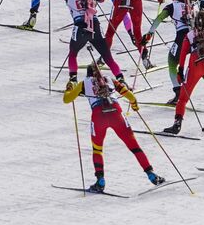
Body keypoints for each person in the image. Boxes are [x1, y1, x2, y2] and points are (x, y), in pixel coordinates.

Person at [63, 63, 162, 193]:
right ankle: (151, 174)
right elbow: (131, 97)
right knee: (134, 146)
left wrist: (69, 88)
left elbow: (67, 99)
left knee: (97, 149)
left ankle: (100, 181)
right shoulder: (110, 80)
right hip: (116, 113)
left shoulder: (83, 83)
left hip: (99, 117)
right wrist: (134, 106)